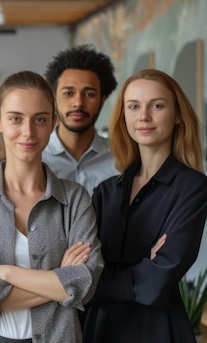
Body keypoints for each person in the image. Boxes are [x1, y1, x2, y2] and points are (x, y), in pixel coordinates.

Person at [0, 71, 104, 343]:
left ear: (53, 122)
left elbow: (86, 283)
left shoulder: (75, 199)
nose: (28, 132)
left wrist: (3, 273)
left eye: (40, 119)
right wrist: (60, 283)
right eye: (15, 118)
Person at [82, 69, 207, 342]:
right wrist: (143, 266)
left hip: (156, 332)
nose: (144, 116)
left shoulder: (192, 187)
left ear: (177, 116)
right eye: (134, 106)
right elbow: (80, 277)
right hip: (98, 331)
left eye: (157, 105)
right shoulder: (105, 193)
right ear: (123, 116)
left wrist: (99, 280)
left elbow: (155, 283)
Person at [42, 45, 119, 195]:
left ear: (102, 101)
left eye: (89, 94)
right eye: (69, 93)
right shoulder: (36, 157)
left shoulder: (121, 158)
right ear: (53, 98)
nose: (78, 102)